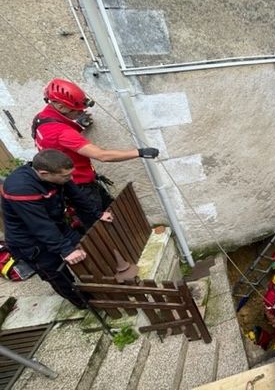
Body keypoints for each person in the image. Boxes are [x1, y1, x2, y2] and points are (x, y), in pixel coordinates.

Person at [32, 78, 159, 220]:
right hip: (81, 189)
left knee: (112, 214)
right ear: (61, 107)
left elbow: (58, 142)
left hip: (70, 186)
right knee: (101, 225)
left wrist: (78, 124)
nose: (81, 113)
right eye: (77, 111)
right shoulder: (62, 132)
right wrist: (139, 152)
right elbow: (102, 155)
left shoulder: (41, 119)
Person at [1, 150, 113, 308]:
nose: (70, 179)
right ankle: (84, 304)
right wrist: (66, 249)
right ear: (44, 173)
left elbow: (77, 196)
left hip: (56, 227)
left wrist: (97, 214)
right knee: (59, 275)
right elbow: (39, 224)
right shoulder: (20, 188)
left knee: (85, 252)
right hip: (30, 242)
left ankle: (103, 289)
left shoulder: (58, 175)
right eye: (66, 176)